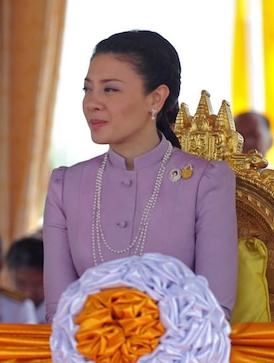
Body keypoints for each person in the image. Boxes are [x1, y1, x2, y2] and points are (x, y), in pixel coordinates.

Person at [43, 30, 237, 323]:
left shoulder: (205, 181)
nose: (92, 102)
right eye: (87, 89)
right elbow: (60, 313)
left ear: (156, 98)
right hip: (86, 360)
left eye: (110, 89)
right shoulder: (65, 185)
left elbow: (213, 309)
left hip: (185, 362)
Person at [6, 236, 46, 323]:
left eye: (38, 285)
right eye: (21, 284)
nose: (29, 293)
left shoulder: (64, 312)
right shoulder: (0, 308)